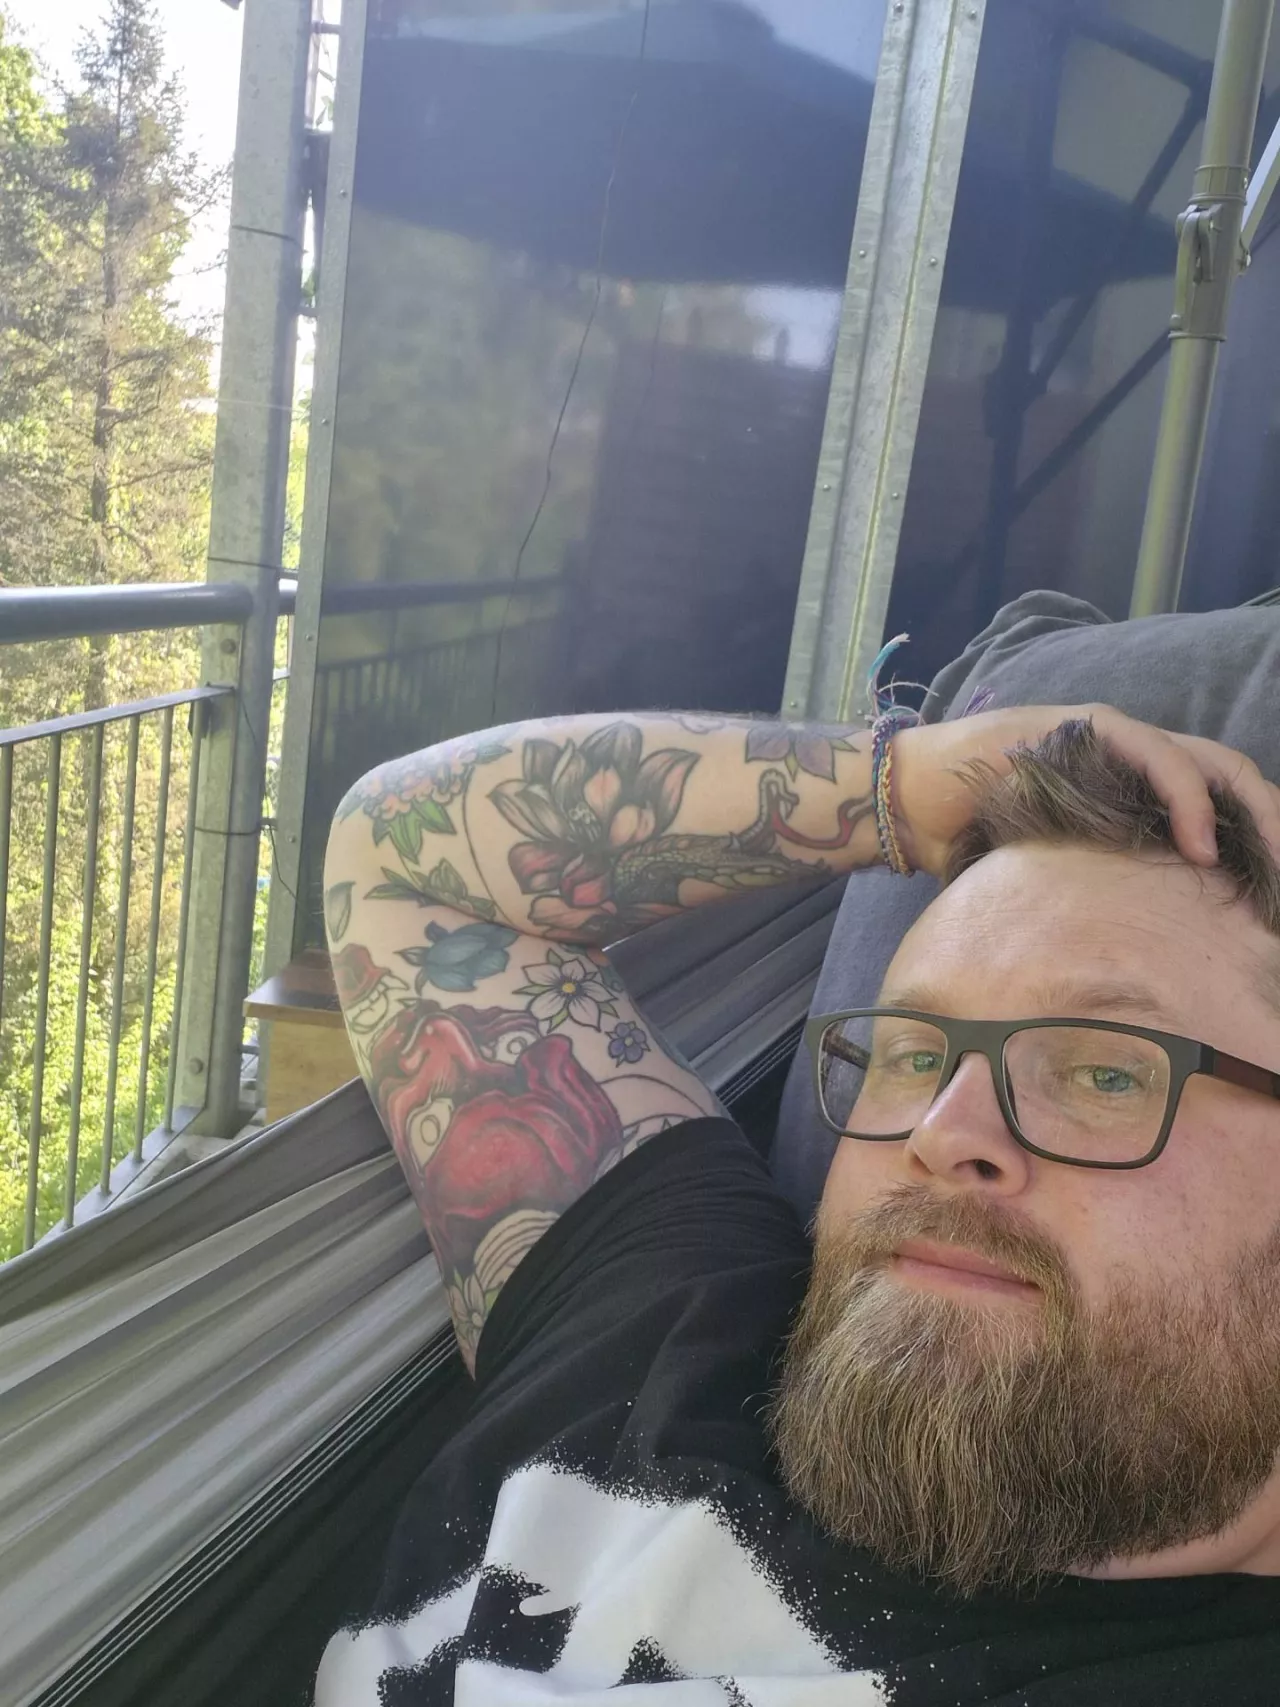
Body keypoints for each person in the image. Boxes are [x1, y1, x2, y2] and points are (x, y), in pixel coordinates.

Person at [313, 702, 1280, 1705]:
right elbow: (401, 861)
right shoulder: (667, 1322)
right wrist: (901, 788)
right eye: (913, 1055)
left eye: (1107, 1074)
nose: (941, 1132)